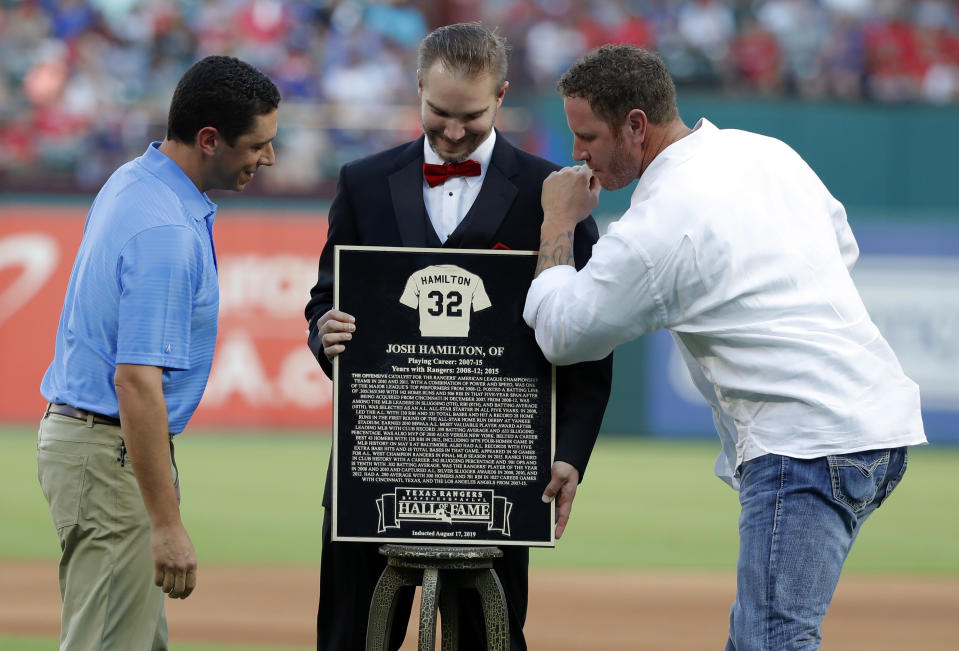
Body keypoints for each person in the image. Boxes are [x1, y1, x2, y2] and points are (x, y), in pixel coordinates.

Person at [523, 44, 926, 650]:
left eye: (588, 136)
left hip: (804, 446)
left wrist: (556, 224)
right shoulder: (766, 151)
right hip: (874, 425)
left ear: (636, 125)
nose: (577, 153)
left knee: (770, 641)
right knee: (762, 637)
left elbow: (560, 334)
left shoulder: (656, 227)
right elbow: (841, 246)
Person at [305, 22, 612, 651]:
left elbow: (589, 338)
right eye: (438, 112)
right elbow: (325, 300)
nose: (451, 131)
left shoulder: (554, 193)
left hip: (497, 464)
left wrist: (570, 455)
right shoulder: (362, 182)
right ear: (417, 88)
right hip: (377, 462)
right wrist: (323, 331)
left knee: (488, 639)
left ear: (501, 97)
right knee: (348, 637)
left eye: (469, 117)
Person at [37, 55, 280, 650]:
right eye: (258, 144)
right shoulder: (166, 230)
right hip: (108, 450)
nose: (267, 158)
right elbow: (137, 382)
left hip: (95, 448)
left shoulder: (132, 179)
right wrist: (168, 526)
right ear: (208, 139)